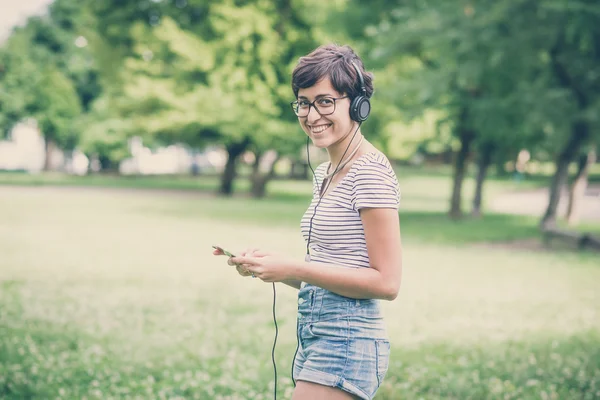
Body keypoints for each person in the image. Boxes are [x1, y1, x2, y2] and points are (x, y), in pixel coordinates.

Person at [214, 44, 402, 400]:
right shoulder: (325, 173)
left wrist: (293, 265)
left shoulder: (371, 173)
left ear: (358, 103)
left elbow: (386, 282)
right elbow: (332, 275)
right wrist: (273, 268)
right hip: (317, 337)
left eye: (325, 101)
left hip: (348, 342)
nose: (312, 114)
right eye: (303, 102)